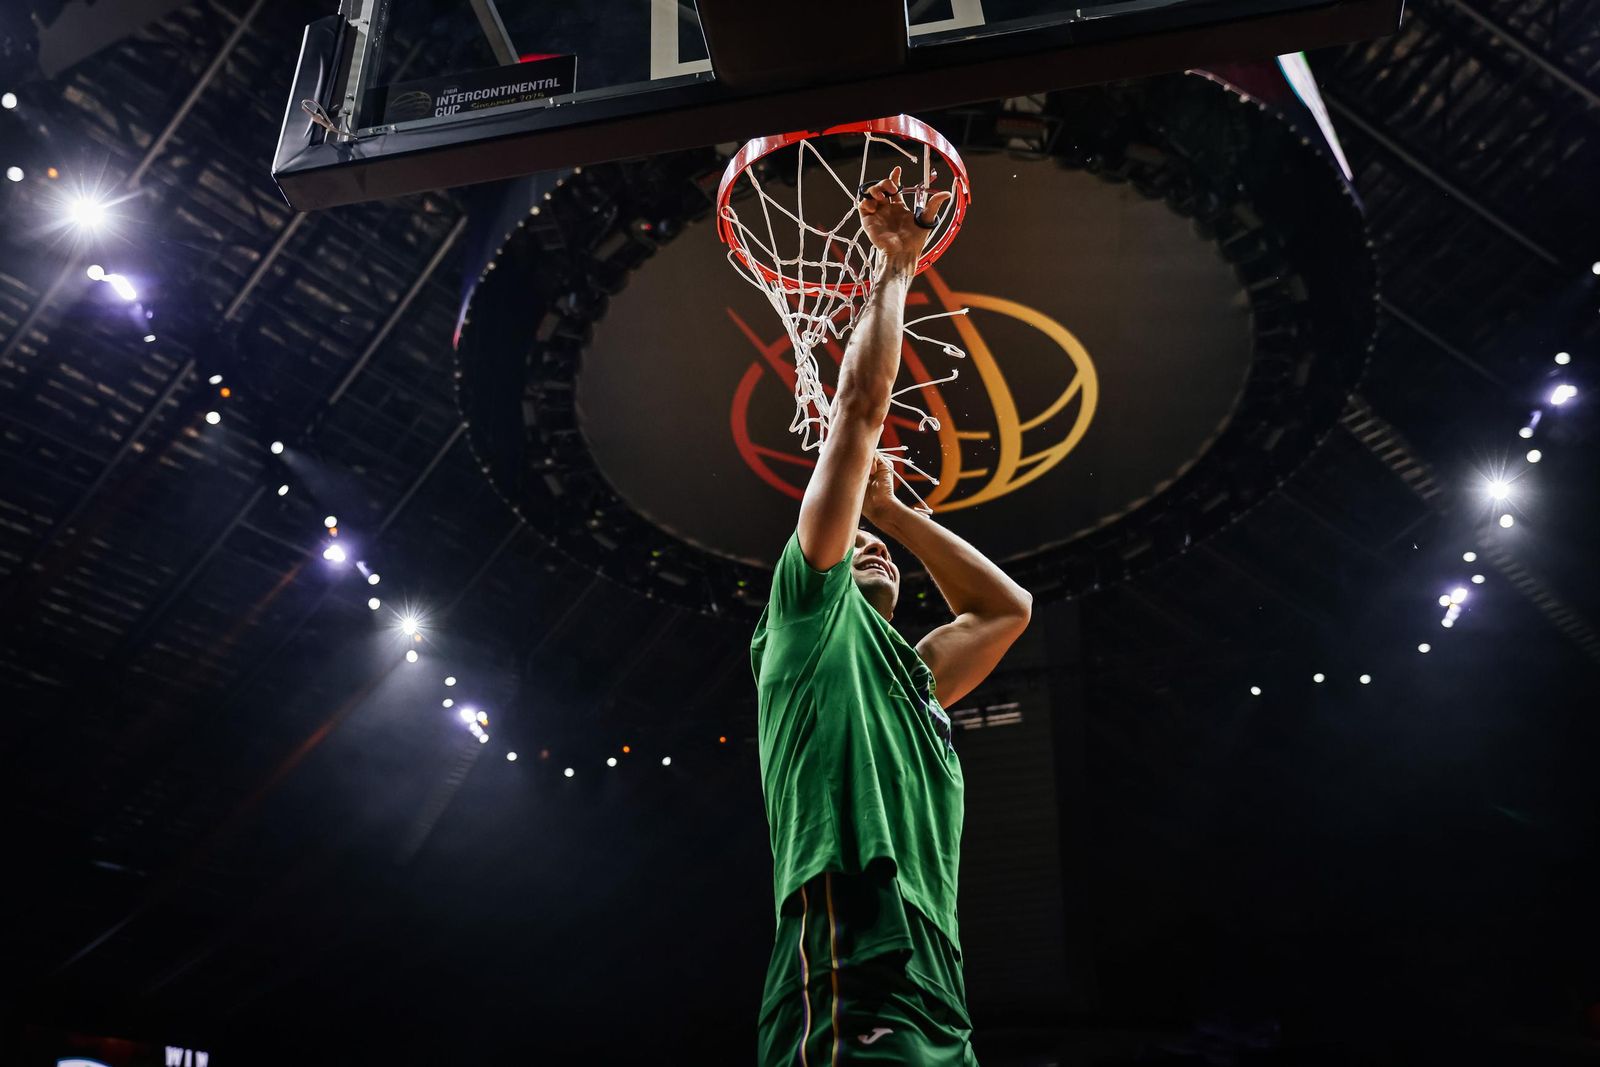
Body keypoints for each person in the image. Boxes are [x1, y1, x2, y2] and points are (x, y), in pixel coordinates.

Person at [753, 167, 1034, 1066]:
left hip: (937, 971)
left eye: (877, 550)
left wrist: (897, 517)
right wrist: (897, 268)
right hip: (847, 938)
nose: (866, 549)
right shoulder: (804, 620)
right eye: (855, 540)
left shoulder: (914, 680)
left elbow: (1007, 609)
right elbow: (862, 412)